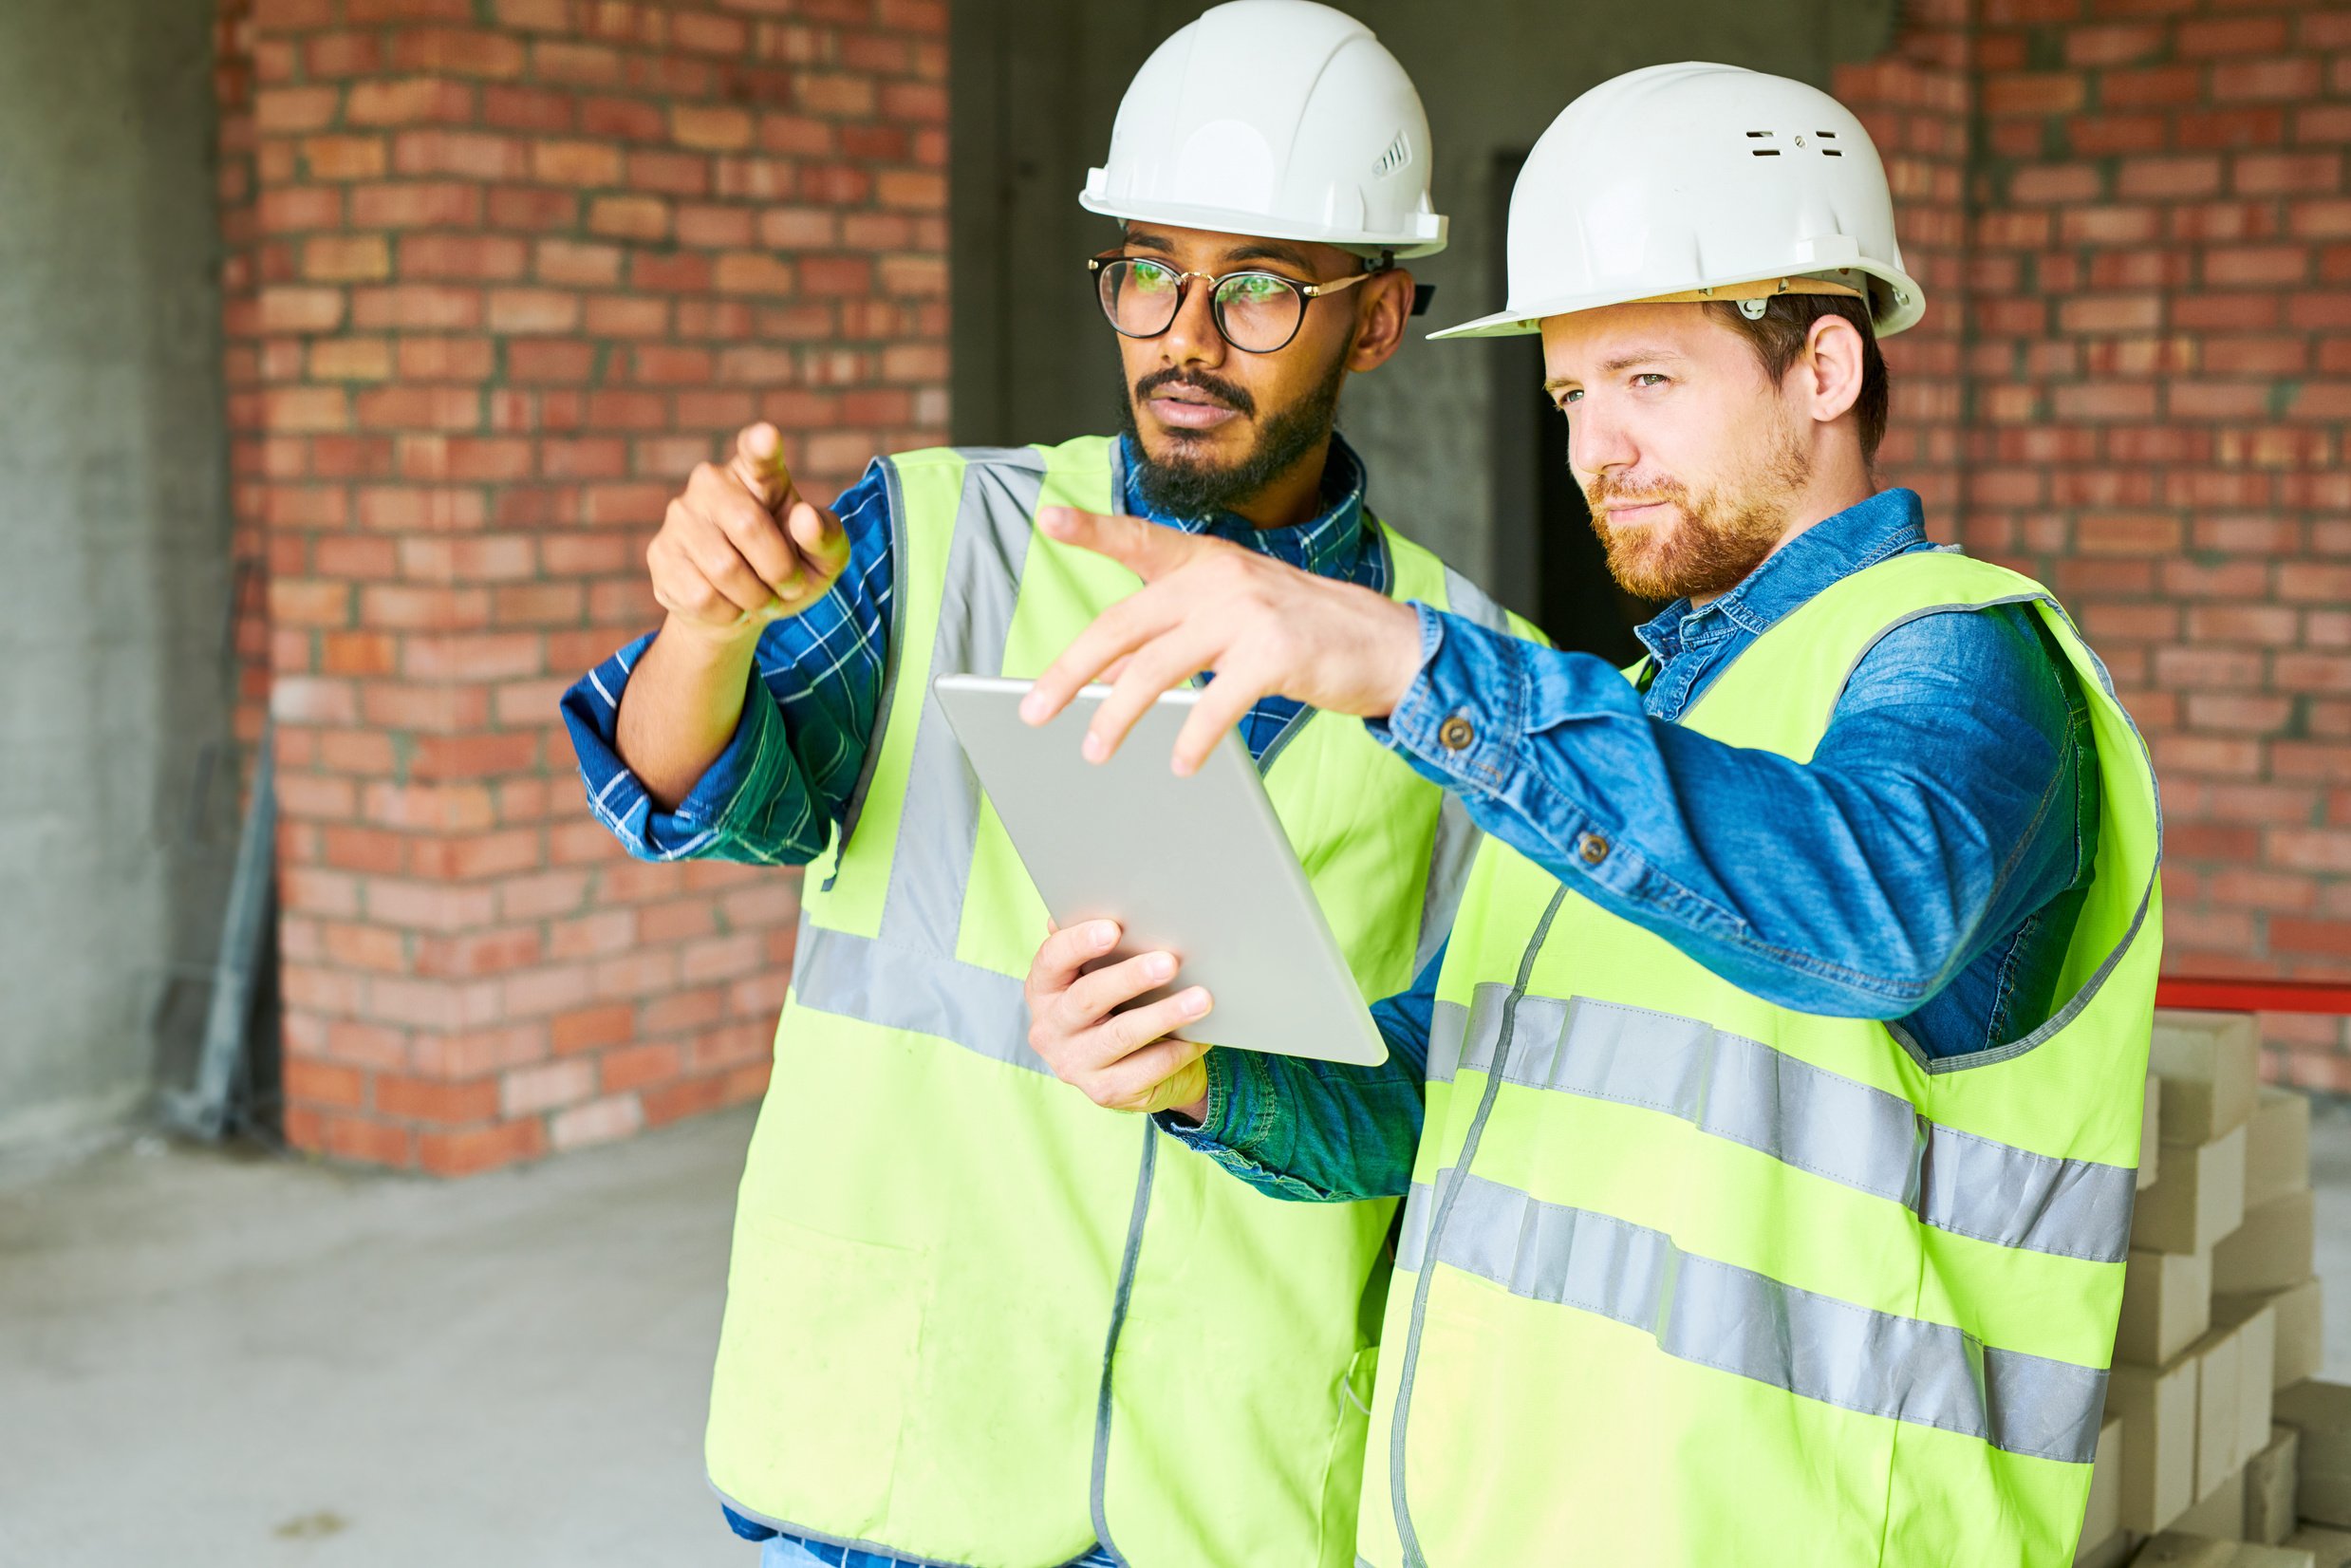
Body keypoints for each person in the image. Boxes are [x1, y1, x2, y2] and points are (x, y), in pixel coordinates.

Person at [1020, 63, 2162, 1567]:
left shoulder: (1962, 654)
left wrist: (1407, 661)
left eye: (1648, 382)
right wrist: (1193, 1081)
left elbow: (1869, 918)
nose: (1592, 450)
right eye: (1568, 393)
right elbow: (1447, 1092)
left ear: (1822, 371)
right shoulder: (1625, 716)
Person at [560, 5, 1536, 1565]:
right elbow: (692, 793)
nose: (1185, 340)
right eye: (1149, 272)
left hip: (1230, 1495)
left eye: (1262, 289)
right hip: (896, 1468)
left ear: (1377, 320)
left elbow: (1446, 1103)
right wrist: (704, 632)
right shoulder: (943, 533)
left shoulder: (1468, 674)